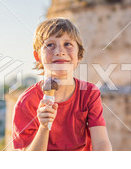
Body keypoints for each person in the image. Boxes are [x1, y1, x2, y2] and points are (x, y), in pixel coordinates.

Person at [12, 18, 112, 151]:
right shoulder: (26, 102)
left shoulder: (89, 93)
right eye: (50, 45)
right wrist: (43, 126)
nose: (59, 51)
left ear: (79, 54)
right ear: (38, 57)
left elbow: (102, 143)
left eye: (67, 44)